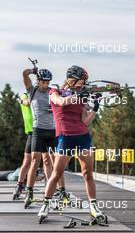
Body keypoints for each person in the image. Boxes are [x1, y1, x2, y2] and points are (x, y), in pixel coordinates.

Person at [38, 65, 107, 224]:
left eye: (84, 82)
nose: (83, 84)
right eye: (81, 81)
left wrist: (95, 108)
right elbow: (60, 102)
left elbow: (85, 121)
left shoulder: (82, 97)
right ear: (72, 79)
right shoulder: (55, 92)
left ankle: (93, 207)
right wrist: (76, 96)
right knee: (56, 174)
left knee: (88, 174)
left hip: (82, 137)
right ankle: (46, 205)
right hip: (65, 138)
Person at [23, 68, 65, 208]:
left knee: (56, 162)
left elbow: (64, 91)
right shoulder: (32, 91)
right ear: (38, 81)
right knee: (35, 161)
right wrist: (32, 70)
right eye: (43, 82)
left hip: (53, 131)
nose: (46, 85)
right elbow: (25, 74)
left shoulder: (52, 92)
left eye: (48, 83)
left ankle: (61, 191)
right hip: (38, 130)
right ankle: (29, 191)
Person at [13, 93, 33, 200]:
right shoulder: (24, 95)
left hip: (44, 130)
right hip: (31, 132)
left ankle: (55, 189)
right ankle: (19, 185)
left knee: (47, 161)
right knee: (27, 161)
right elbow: (26, 102)